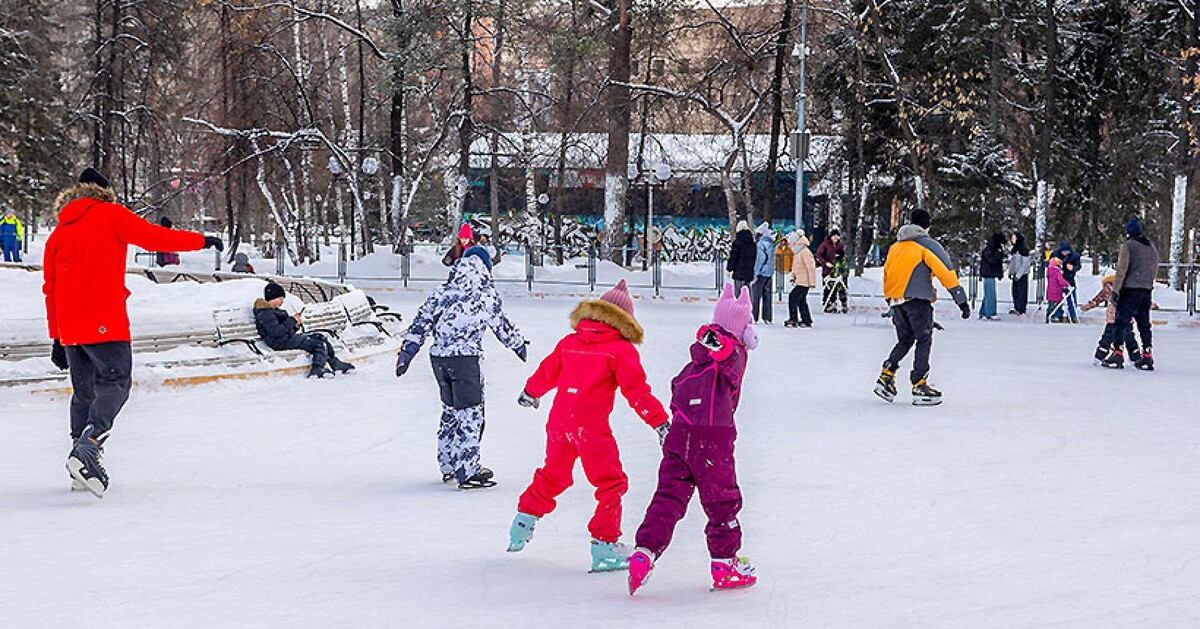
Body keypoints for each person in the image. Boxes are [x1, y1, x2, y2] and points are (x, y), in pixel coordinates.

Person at [44, 167, 223, 498]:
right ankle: (89, 445)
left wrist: (56, 336)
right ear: (103, 191)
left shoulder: (59, 232)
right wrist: (201, 240)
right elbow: (157, 237)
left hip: (70, 328)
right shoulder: (110, 214)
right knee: (116, 382)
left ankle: (78, 460)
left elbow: (50, 288)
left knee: (84, 392)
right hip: (104, 320)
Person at [507, 279, 669, 572]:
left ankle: (523, 522)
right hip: (591, 429)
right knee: (611, 482)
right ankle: (604, 545)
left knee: (553, 476)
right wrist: (659, 422)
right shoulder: (621, 350)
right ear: (624, 321)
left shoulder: (570, 342)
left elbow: (547, 371)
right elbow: (637, 392)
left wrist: (530, 392)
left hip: (559, 422)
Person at [628, 283, 759, 595]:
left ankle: (644, 553)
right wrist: (724, 342)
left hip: (679, 436)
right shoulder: (734, 353)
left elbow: (678, 386)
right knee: (722, 501)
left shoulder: (695, 360)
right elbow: (728, 356)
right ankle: (725, 564)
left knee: (668, 499)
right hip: (712, 439)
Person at [396, 246, 526, 489]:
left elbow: (421, 322)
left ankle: (447, 464)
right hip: (465, 360)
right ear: (486, 268)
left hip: (439, 360)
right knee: (470, 414)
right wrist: (519, 346)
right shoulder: (485, 293)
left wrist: (407, 353)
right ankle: (467, 470)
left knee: (450, 411)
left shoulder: (443, 290)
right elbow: (502, 325)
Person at [873, 209, 970, 406]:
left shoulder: (896, 247)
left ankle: (886, 374)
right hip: (918, 301)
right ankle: (919, 383)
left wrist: (890, 300)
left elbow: (887, 273)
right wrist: (961, 300)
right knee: (923, 339)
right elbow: (946, 272)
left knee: (905, 339)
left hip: (897, 300)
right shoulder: (927, 244)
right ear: (927, 226)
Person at [254, 282, 355, 379]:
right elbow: (275, 332)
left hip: (285, 339)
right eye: (281, 298)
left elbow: (283, 330)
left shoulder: (272, 311)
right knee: (318, 344)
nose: (282, 302)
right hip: (280, 343)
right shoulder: (266, 313)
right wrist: (292, 320)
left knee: (320, 337)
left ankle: (333, 362)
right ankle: (317, 368)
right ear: (273, 298)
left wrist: (295, 325)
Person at [1102, 218, 1159, 370]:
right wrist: (1147, 284)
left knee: (1121, 322)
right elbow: (1154, 268)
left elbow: (1122, 270)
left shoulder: (1128, 246)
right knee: (1144, 324)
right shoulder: (1151, 247)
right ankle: (1147, 354)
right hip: (1146, 290)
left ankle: (1117, 353)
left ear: (1128, 233)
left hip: (1130, 290)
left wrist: (1116, 291)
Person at [1082, 275, 1141, 366]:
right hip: (1126, 318)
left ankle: (1099, 357)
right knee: (1129, 338)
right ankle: (1135, 357)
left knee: (1107, 338)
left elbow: (1097, 300)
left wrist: (1087, 306)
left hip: (1113, 319)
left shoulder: (1108, 288)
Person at [784, 232, 817, 328]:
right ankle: (807, 320)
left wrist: (812, 283)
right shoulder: (797, 252)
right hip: (800, 281)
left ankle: (793, 319)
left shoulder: (804, 252)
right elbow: (796, 267)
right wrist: (793, 277)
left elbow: (811, 267)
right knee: (801, 300)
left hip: (804, 282)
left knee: (792, 298)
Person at [816, 229, 847, 313]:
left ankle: (841, 302)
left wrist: (840, 259)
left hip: (837, 269)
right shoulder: (825, 244)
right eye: (835, 236)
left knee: (839, 286)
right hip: (827, 270)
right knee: (828, 287)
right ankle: (828, 303)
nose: (836, 238)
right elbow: (819, 254)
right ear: (832, 236)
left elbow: (842, 255)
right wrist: (825, 262)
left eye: (837, 236)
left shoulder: (840, 245)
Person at [1052, 241, 1081, 323]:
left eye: (1067, 251)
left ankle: (1073, 315)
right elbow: (1050, 264)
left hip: (1069, 279)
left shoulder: (1074, 255)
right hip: (1057, 280)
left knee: (1071, 298)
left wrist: (1073, 268)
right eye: (1063, 251)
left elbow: (1078, 266)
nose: (1065, 253)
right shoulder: (1055, 254)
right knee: (1057, 298)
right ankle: (1057, 314)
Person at [751, 222, 774, 324]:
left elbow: (760, 259)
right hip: (769, 272)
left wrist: (755, 273)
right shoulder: (771, 244)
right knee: (767, 296)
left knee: (756, 296)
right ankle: (767, 317)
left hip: (761, 273)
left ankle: (754, 317)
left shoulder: (760, 245)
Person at [979, 232, 1005, 320]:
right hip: (988, 274)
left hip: (990, 273)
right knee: (990, 294)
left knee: (988, 294)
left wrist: (1000, 273)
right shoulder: (990, 249)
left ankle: (983, 312)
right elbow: (992, 260)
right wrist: (999, 253)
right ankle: (990, 313)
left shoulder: (992, 248)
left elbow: (997, 263)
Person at [725, 220, 756, 296]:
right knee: (747, 292)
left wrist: (729, 268)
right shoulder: (752, 243)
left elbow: (733, 257)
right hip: (749, 270)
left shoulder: (737, 242)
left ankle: (739, 307)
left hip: (739, 271)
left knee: (738, 292)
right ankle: (748, 307)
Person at [1008, 232, 1031, 315]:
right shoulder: (1015, 249)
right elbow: (1013, 262)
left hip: (1022, 274)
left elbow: (1025, 264)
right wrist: (1010, 272)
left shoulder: (1023, 249)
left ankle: (1021, 309)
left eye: (1014, 238)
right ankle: (1016, 307)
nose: (1012, 240)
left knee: (1022, 292)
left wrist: (1019, 275)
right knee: (1015, 291)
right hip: (1015, 274)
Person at [1045, 258, 1070, 323]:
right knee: (1058, 305)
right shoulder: (1057, 271)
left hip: (1050, 291)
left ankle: (1048, 315)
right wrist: (1067, 284)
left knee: (1050, 304)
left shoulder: (1049, 271)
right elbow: (1060, 281)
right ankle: (1056, 316)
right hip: (1057, 291)